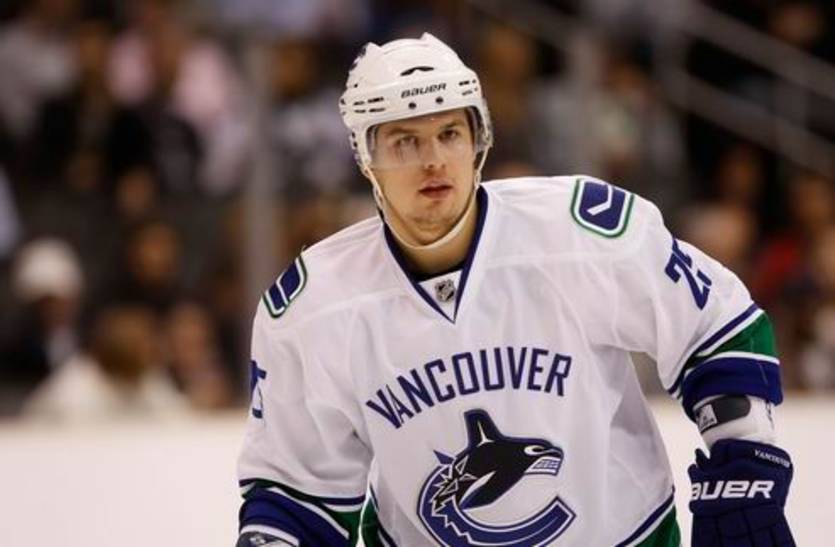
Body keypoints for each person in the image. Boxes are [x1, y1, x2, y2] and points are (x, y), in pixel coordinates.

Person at [235, 34, 795, 546]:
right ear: (366, 158)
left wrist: (743, 466)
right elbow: (296, 497)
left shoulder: (579, 232)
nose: (434, 160)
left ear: (478, 139)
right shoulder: (314, 307)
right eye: (404, 142)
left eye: (450, 134)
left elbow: (716, 327)